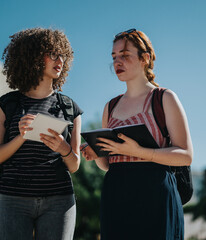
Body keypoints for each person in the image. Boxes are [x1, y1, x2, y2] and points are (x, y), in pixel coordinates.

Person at [81, 28, 193, 240]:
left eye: (124, 55)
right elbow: (108, 165)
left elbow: (185, 155)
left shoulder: (164, 98)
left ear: (145, 58)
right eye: (114, 57)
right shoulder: (110, 106)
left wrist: (141, 152)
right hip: (116, 195)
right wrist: (98, 155)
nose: (117, 62)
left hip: (156, 194)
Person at [0, 28, 82, 240]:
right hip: (12, 199)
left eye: (62, 55)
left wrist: (63, 148)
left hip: (60, 201)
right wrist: (21, 136)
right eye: (52, 53)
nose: (59, 60)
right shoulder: (7, 104)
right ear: (33, 56)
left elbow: (74, 165)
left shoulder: (70, 108)